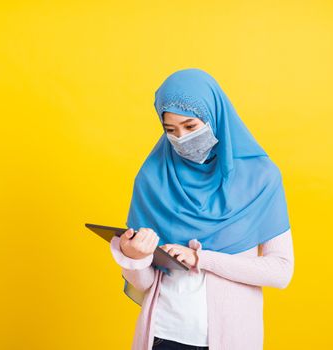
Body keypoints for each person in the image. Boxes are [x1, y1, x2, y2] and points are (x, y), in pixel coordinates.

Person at [109, 68, 295, 350]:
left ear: (215, 117)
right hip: (163, 334)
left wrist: (201, 259)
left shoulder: (261, 178)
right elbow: (146, 284)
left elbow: (280, 271)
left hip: (233, 338)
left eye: (191, 126)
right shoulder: (152, 178)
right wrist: (136, 258)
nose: (181, 138)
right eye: (170, 130)